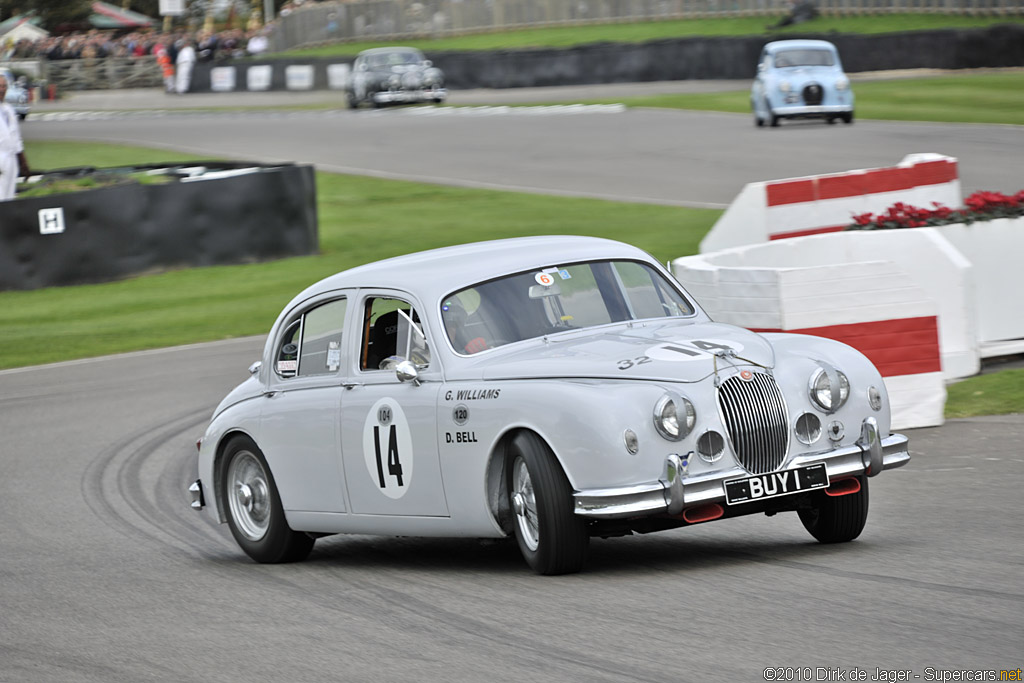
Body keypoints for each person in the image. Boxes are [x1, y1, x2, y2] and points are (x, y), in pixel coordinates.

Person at [0, 74, 30, 201]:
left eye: (4, 86)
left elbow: (16, 139)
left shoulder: (9, 109)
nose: (2, 90)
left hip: (11, 159)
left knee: (9, 197)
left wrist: (23, 162)